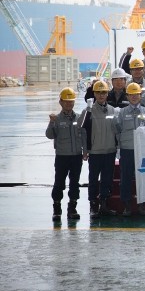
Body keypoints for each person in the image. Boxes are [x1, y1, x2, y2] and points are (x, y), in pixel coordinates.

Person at [79, 80, 118, 219]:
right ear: (94, 94)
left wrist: (117, 146)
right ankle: (93, 206)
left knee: (107, 179)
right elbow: (81, 128)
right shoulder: (88, 111)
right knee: (94, 180)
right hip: (95, 152)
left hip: (109, 151)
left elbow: (116, 129)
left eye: (104, 92)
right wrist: (85, 150)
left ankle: (104, 205)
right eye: (98, 92)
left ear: (107, 94)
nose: (101, 95)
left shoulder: (113, 110)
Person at [46, 87, 86, 222]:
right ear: (61, 102)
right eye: (66, 101)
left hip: (76, 156)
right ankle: (57, 209)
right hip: (62, 157)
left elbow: (84, 135)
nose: (69, 104)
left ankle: (72, 208)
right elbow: (49, 135)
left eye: (71, 101)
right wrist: (51, 123)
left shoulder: (80, 118)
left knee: (74, 183)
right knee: (59, 183)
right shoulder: (56, 119)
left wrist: (85, 151)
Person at [114, 83, 145, 216]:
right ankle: (127, 205)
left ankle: (142, 204)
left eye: (137, 94)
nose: (134, 97)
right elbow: (117, 131)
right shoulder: (121, 113)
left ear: (141, 96)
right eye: (131, 94)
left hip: (143, 151)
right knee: (126, 178)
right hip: (127, 149)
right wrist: (119, 148)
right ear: (127, 96)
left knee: (143, 178)